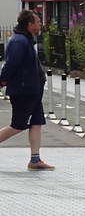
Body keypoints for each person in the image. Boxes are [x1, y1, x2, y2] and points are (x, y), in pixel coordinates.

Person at [0, 10, 54, 170]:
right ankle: (35, 160)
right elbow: (10, 64)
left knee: (36, 122)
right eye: (37, 22)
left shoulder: (27, 40)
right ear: (29, 25)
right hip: (23, 90)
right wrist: (2, 81)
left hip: (33, 89)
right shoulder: (19, 41)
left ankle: (35, 160)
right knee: (17, 125)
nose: (40, 25)